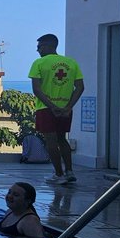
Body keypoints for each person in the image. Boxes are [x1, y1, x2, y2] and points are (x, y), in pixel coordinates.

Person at [29, 34, 85, 184]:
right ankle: (69, 171)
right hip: (65, 109)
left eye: (39, 47)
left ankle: (59, 174)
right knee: (62, 139)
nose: (37, 50)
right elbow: (80, 87)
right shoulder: (71, 63)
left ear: (47, 46)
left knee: (51, 141)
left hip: (45, 109)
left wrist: (52, 106)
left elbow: (36, 89)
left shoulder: (39, 63)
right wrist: (68, 107)